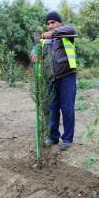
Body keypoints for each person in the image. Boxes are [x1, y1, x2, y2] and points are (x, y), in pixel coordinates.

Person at [31, 12, 77, 150]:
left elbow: (72, 29)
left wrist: (54, 33)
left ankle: (67, 139)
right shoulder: (44, 40)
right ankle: (53, 137)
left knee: (67, 108)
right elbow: (35, 48)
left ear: (59, 23)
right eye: (48, 23)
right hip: (50, 79)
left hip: (67, 76)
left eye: (53, 22)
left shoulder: (66, 33)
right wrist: (33, 55)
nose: (50, 26)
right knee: (51, 109)